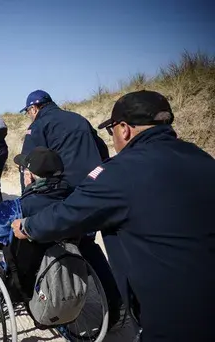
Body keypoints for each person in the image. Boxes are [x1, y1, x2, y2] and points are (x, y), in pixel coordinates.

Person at [11, 90, 215, 342]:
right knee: (88, 243)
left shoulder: (118, 173)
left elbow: (63, 212)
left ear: (124, 129)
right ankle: (115, 304)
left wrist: (28, 225)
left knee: (72, 236)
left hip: (174, 317)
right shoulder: (202, 158)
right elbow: (98, 148)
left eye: (112, 131)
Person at [19, 90, 109, 193]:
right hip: (95, 185)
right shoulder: (79, 118)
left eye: (28, 112)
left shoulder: (38, 126)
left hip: (65, 191)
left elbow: (27, 163)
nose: (29, 116)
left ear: (33, 109)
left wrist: (25, 197)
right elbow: (102, 149)